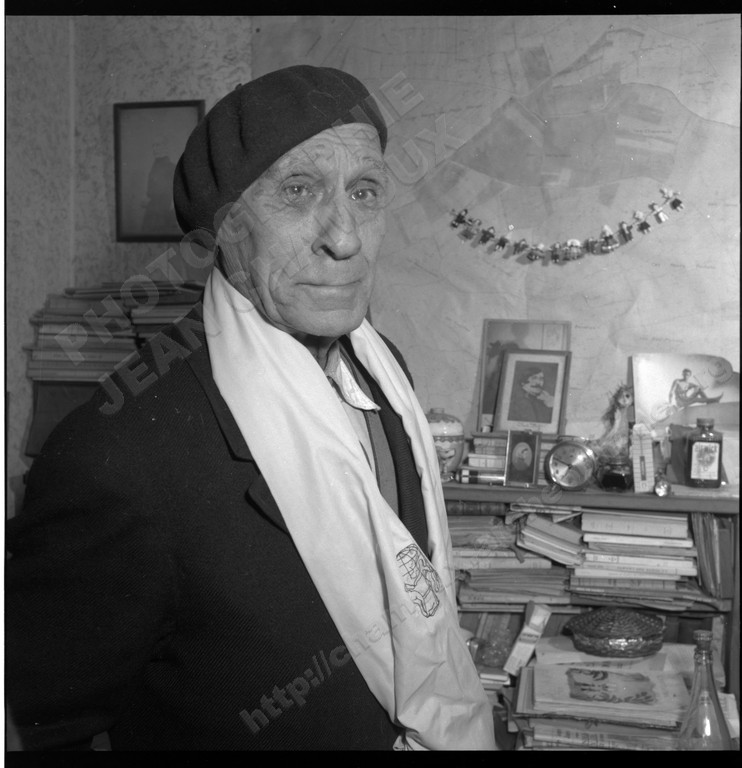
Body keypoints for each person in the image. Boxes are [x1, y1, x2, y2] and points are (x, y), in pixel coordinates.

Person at [6, 65, 495, 752]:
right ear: (225, 227)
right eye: (298, 191)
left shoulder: (385, 372)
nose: (346, 238)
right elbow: (42, 727)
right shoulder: (115, 455)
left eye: (365, 192)